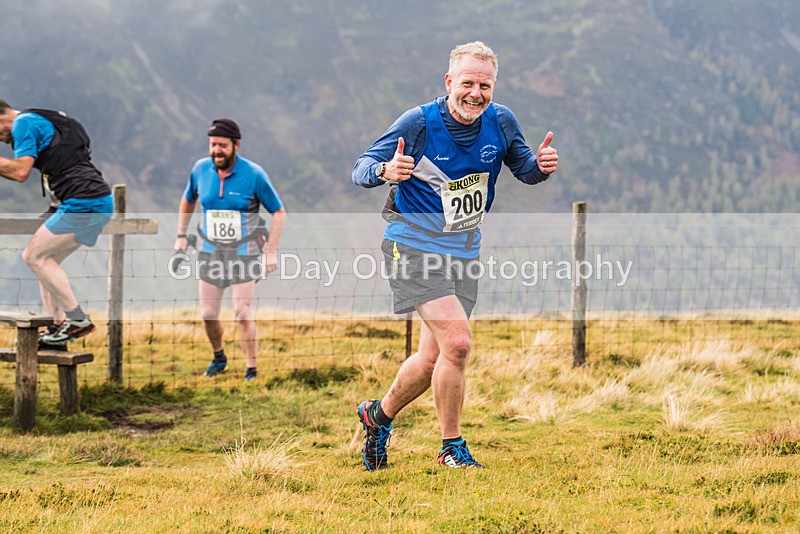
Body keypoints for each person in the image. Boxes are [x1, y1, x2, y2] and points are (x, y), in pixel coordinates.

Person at [352, 41, 558, 470]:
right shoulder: (419, 122)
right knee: (459, 344)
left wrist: (540, 166)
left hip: (463, 250)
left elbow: (524, 169)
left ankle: (378, 416)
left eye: (485, 86)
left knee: (434, 358)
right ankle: (452, 447)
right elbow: (361, 167)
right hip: (412, 246)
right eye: (467, 83)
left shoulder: (501, 121)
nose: (475, 94)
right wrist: (385, 170)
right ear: (449, 82)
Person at [174, 118, 286, 381]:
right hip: (209, 252)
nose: (216, 150)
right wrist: (181, 235)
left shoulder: (254, 174)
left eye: (222, 145)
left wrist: (270, 252)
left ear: (236, 145)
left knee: (242, 313)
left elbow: (279, 212)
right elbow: (188, 199)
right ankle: (219, 357)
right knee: (207, 314)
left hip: (244, 254)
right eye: (212, 144)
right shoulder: (200, 169)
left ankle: (251, 370)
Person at [0, 99, 114, 349]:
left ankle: (78, 320)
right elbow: (63, 161)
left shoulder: (23, 123)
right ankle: (56, 329)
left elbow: (20, 171)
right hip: (93, 199)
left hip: (84, 201)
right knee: (47, 263)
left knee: (34, 257)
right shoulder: (40, 118)